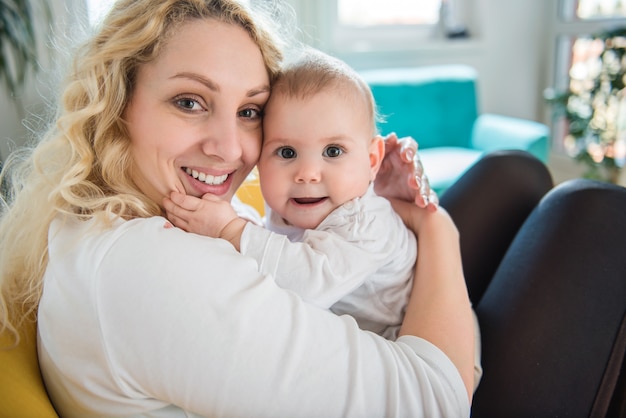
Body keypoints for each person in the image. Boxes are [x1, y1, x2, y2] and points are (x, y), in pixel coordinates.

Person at [0, 0, 475, 416]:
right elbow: (437, 402)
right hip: (448, 373)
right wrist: (435, 226)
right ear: (117, 101)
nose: (230, 150)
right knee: (535, 198)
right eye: (189, 102)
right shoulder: (153, 271)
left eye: (249, 112)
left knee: (511, 180)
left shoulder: (93, 223)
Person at [164, 49, 420, 340]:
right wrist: (242, 224)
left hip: (410, 345)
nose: (307, 173)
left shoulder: (365, 224)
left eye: (333, 151)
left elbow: (308, 284)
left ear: (372, 160)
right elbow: (279, 247)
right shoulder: (295, 203)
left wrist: (231, 230)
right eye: (287, 152)